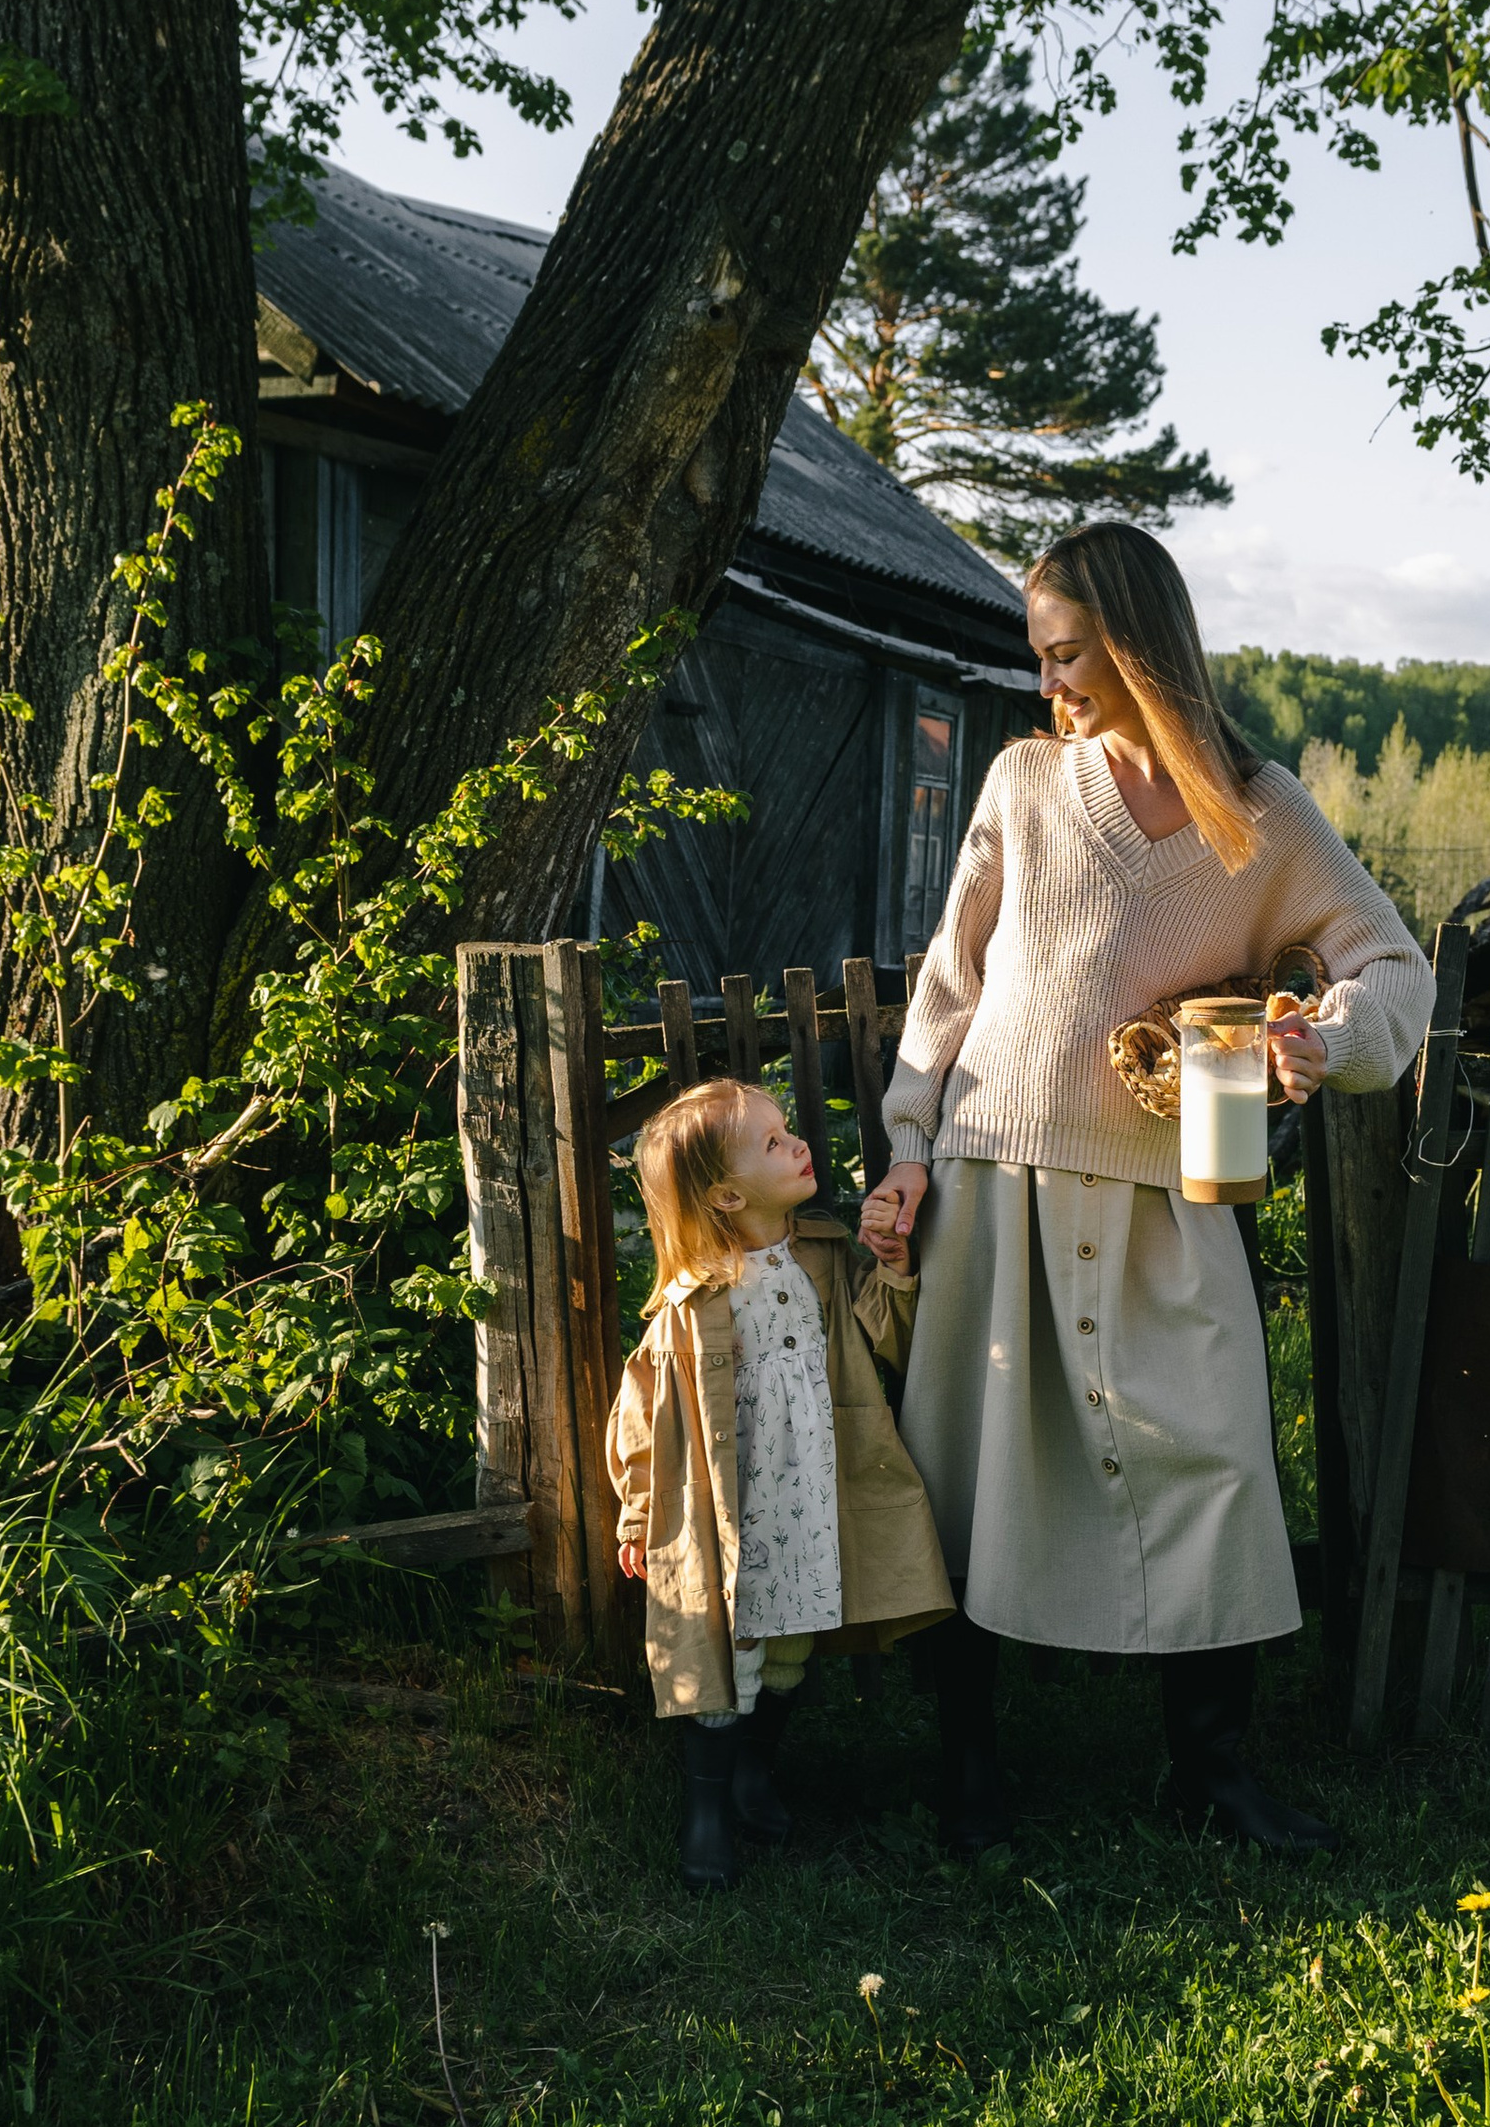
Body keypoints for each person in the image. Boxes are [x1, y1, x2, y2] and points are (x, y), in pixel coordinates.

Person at [858, 522, 1430, 1852]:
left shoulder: (1263, 812)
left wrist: (1320, 1038)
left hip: (1172, 1194)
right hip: (993, 1171)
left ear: (1140, 646)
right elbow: (950, 986)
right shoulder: (1021, 782)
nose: (1049, 686)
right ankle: (969, 1773)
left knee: (1217, 1456)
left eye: (1070, 657)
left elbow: (1393, 967)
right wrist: (904, 1144)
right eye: (1042, 659)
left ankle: (1212, 1775)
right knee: (974, 1468)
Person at [610, 1076, 953, 1891]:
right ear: (727, 1194)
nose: (798, 1143)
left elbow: (879, 1341)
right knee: (730, 1650)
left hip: (810, 1490)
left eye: (787, 1129)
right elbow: (644, 1414)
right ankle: (704, 1810)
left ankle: (755, 1773)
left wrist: (894, 1266)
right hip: (730, 1503)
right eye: (771, 1142)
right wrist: (637, 1514)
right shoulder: (691, 1302)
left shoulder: (822, 1256)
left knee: (793, 1636)